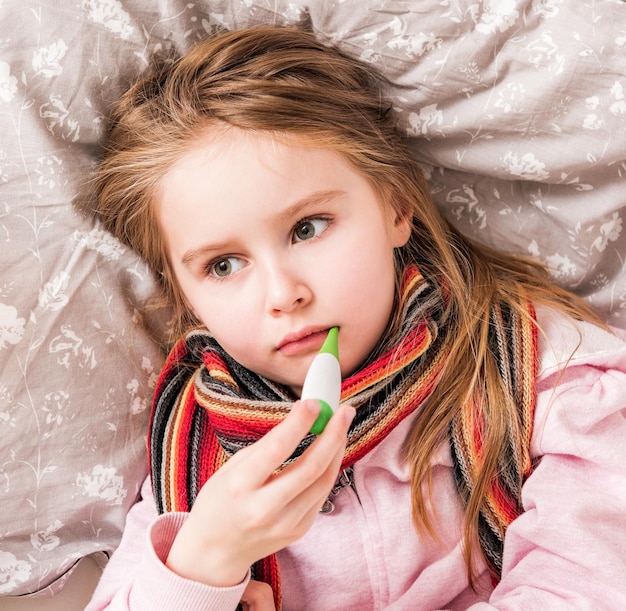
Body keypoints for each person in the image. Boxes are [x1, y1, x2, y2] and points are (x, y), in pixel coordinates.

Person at [86, 26, 626, 610]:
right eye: (223, 265)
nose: (283, 293)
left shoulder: (548, 372)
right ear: (187, 296)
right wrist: (205, 561)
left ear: (395, 206)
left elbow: (588, 583)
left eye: (307, 228)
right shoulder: (188, 467)